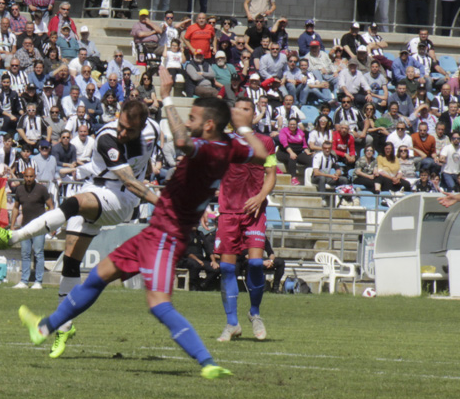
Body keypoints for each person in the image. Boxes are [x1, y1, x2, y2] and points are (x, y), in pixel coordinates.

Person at [15, 67, 270, 379]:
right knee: (98, 276)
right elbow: (259, 152)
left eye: (193, 118)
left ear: (209, 125)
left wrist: (166, 98)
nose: (188, 123)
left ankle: (208, 363)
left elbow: (181, 140)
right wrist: (243, 128)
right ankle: (45, 327)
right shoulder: (231, 147)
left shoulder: (208, 148)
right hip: (155, 233)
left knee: (158, 303)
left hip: (167, 236)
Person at [0, 100, 160, 357]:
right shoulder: (106, 138)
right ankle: (62, 327)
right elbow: (131, 174)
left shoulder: (154, 131)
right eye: (121, 125)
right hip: (99, 187)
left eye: (129, 130)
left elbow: (134, 178)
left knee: (75, 203)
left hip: (121, 199)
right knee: (70, 260)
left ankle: (14, 237)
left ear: (143, 125)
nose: (122, 133)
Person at [214, 97, 277, 341]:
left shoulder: (265, 142)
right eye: (237, 109)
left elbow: (270, 174)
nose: (241, 112)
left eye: (246, 109)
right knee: (228, 268)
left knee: (254, 264)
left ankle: (255, 313)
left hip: (254, 211)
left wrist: (261, 196)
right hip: (229, 212)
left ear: (254, 114)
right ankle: (232, 324)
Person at [10, 167, 54, 291]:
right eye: (26, 177)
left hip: (39, 227)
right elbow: (15, 208)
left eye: (31, 176)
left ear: (35, 177)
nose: (28, 179)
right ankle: (24, 281)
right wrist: (12, 225)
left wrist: (51, 225)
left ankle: (38, 282)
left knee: (38, 253)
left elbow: (51, 206)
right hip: (25, 227)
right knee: (25, 253)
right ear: (24, 177)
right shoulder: (19, 190)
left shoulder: (42, 189)